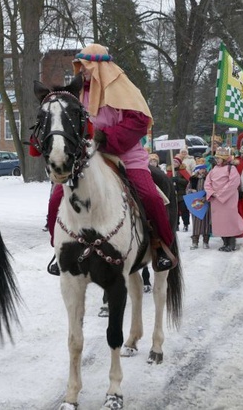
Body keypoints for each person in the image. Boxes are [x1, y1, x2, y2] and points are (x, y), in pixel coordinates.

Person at [46, 43, 176, 273]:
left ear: (100, 67)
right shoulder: (77, 93)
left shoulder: (122, 88)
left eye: (86, 66)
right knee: (57, 195)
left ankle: (161, 246)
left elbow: (139, 122)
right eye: (80, 66)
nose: (82, 71)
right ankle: (59, 250)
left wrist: (104, 137)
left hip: (125, 155)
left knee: (150, 197)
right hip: (87, 157)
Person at [205, 147, 243, 252]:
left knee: (229, 220)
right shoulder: (213, 170)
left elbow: (233, 183)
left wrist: (220, 193)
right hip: (216, 200)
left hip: (228, 199)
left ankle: (231, 243)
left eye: (219, 158)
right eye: (216, 158)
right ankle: (225, 242)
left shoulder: (231, 169)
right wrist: (212, 193)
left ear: (224, 159)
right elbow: (207, 183)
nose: (217, 160)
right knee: (220, 222)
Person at [188, 162, 211, 249]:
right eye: (201, 169)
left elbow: (211, 188)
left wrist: (207, 196)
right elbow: (188, 189)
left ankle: (205, 241)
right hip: (196, 203)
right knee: (196, 223)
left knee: (206, 222)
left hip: (206, 202)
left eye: (204, 169)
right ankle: (195, 241)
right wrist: (191, 191)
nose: (203, 170)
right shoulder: (193, 179)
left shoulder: (208, 178)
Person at [168, 156, 190, 231]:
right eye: (173, 162)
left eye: (176, 162)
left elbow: (188, 182)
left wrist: (178, 180)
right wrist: (171, 181)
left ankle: (186, 224)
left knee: (184, 209)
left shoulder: (183, 171)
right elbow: (166, 182)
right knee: (175, 211)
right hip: (173, 194)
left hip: (182, 193)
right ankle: (176, 225)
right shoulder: (169, 172)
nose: (174, 163)